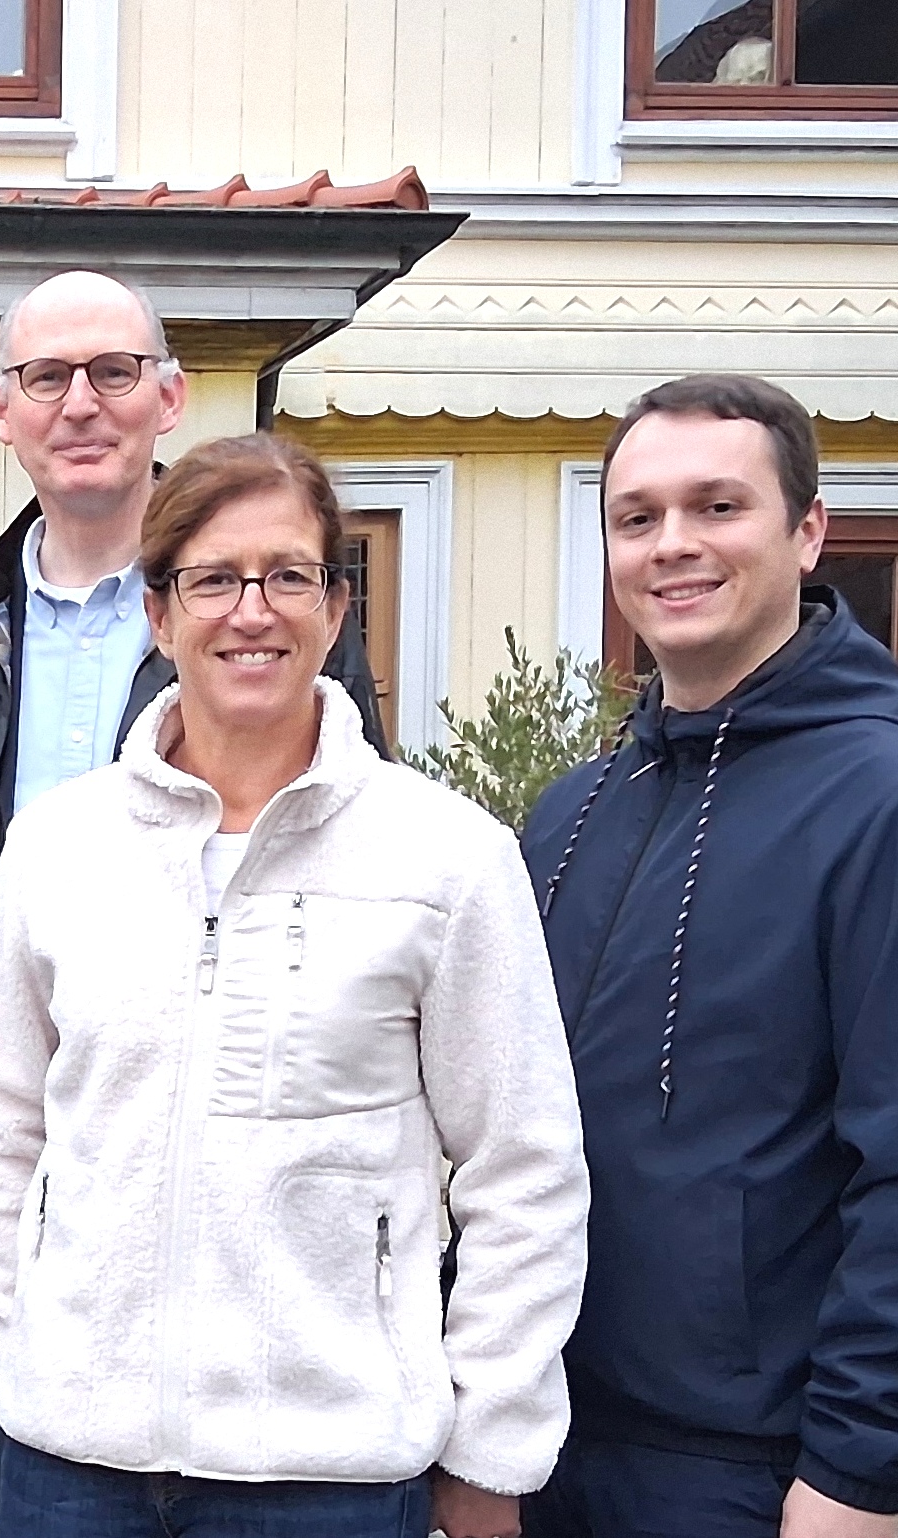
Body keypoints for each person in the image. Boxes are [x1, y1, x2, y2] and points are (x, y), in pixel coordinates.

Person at [0, 433, 589, 1538]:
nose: (250, 611)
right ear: (159, 616)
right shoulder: (58, 846)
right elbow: (10, 1135)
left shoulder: (447, 858)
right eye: (212, 579)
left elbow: (523, 1165)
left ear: (334, 608)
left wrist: (492, 1443)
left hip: (326, 1473)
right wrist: (24, 1356)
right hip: (73, 1465)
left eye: (288, 575)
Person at [0, 268, 388, 1536]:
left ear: (170, 396)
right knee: (25, 1507)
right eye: (46, 376)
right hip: (2, 1178)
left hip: (230, 1184)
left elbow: (351, 877)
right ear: (1, 411)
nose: (80, 402)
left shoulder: (254, 611)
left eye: (112, 371)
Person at [521, 375, 898, 1538]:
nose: (672, 543)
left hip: (763, 1473)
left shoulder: (877, 798)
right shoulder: (573, 812)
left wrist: (861, 1471)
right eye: (637, 517)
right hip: (549, 1446)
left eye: (718, 506)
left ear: (808, 530)